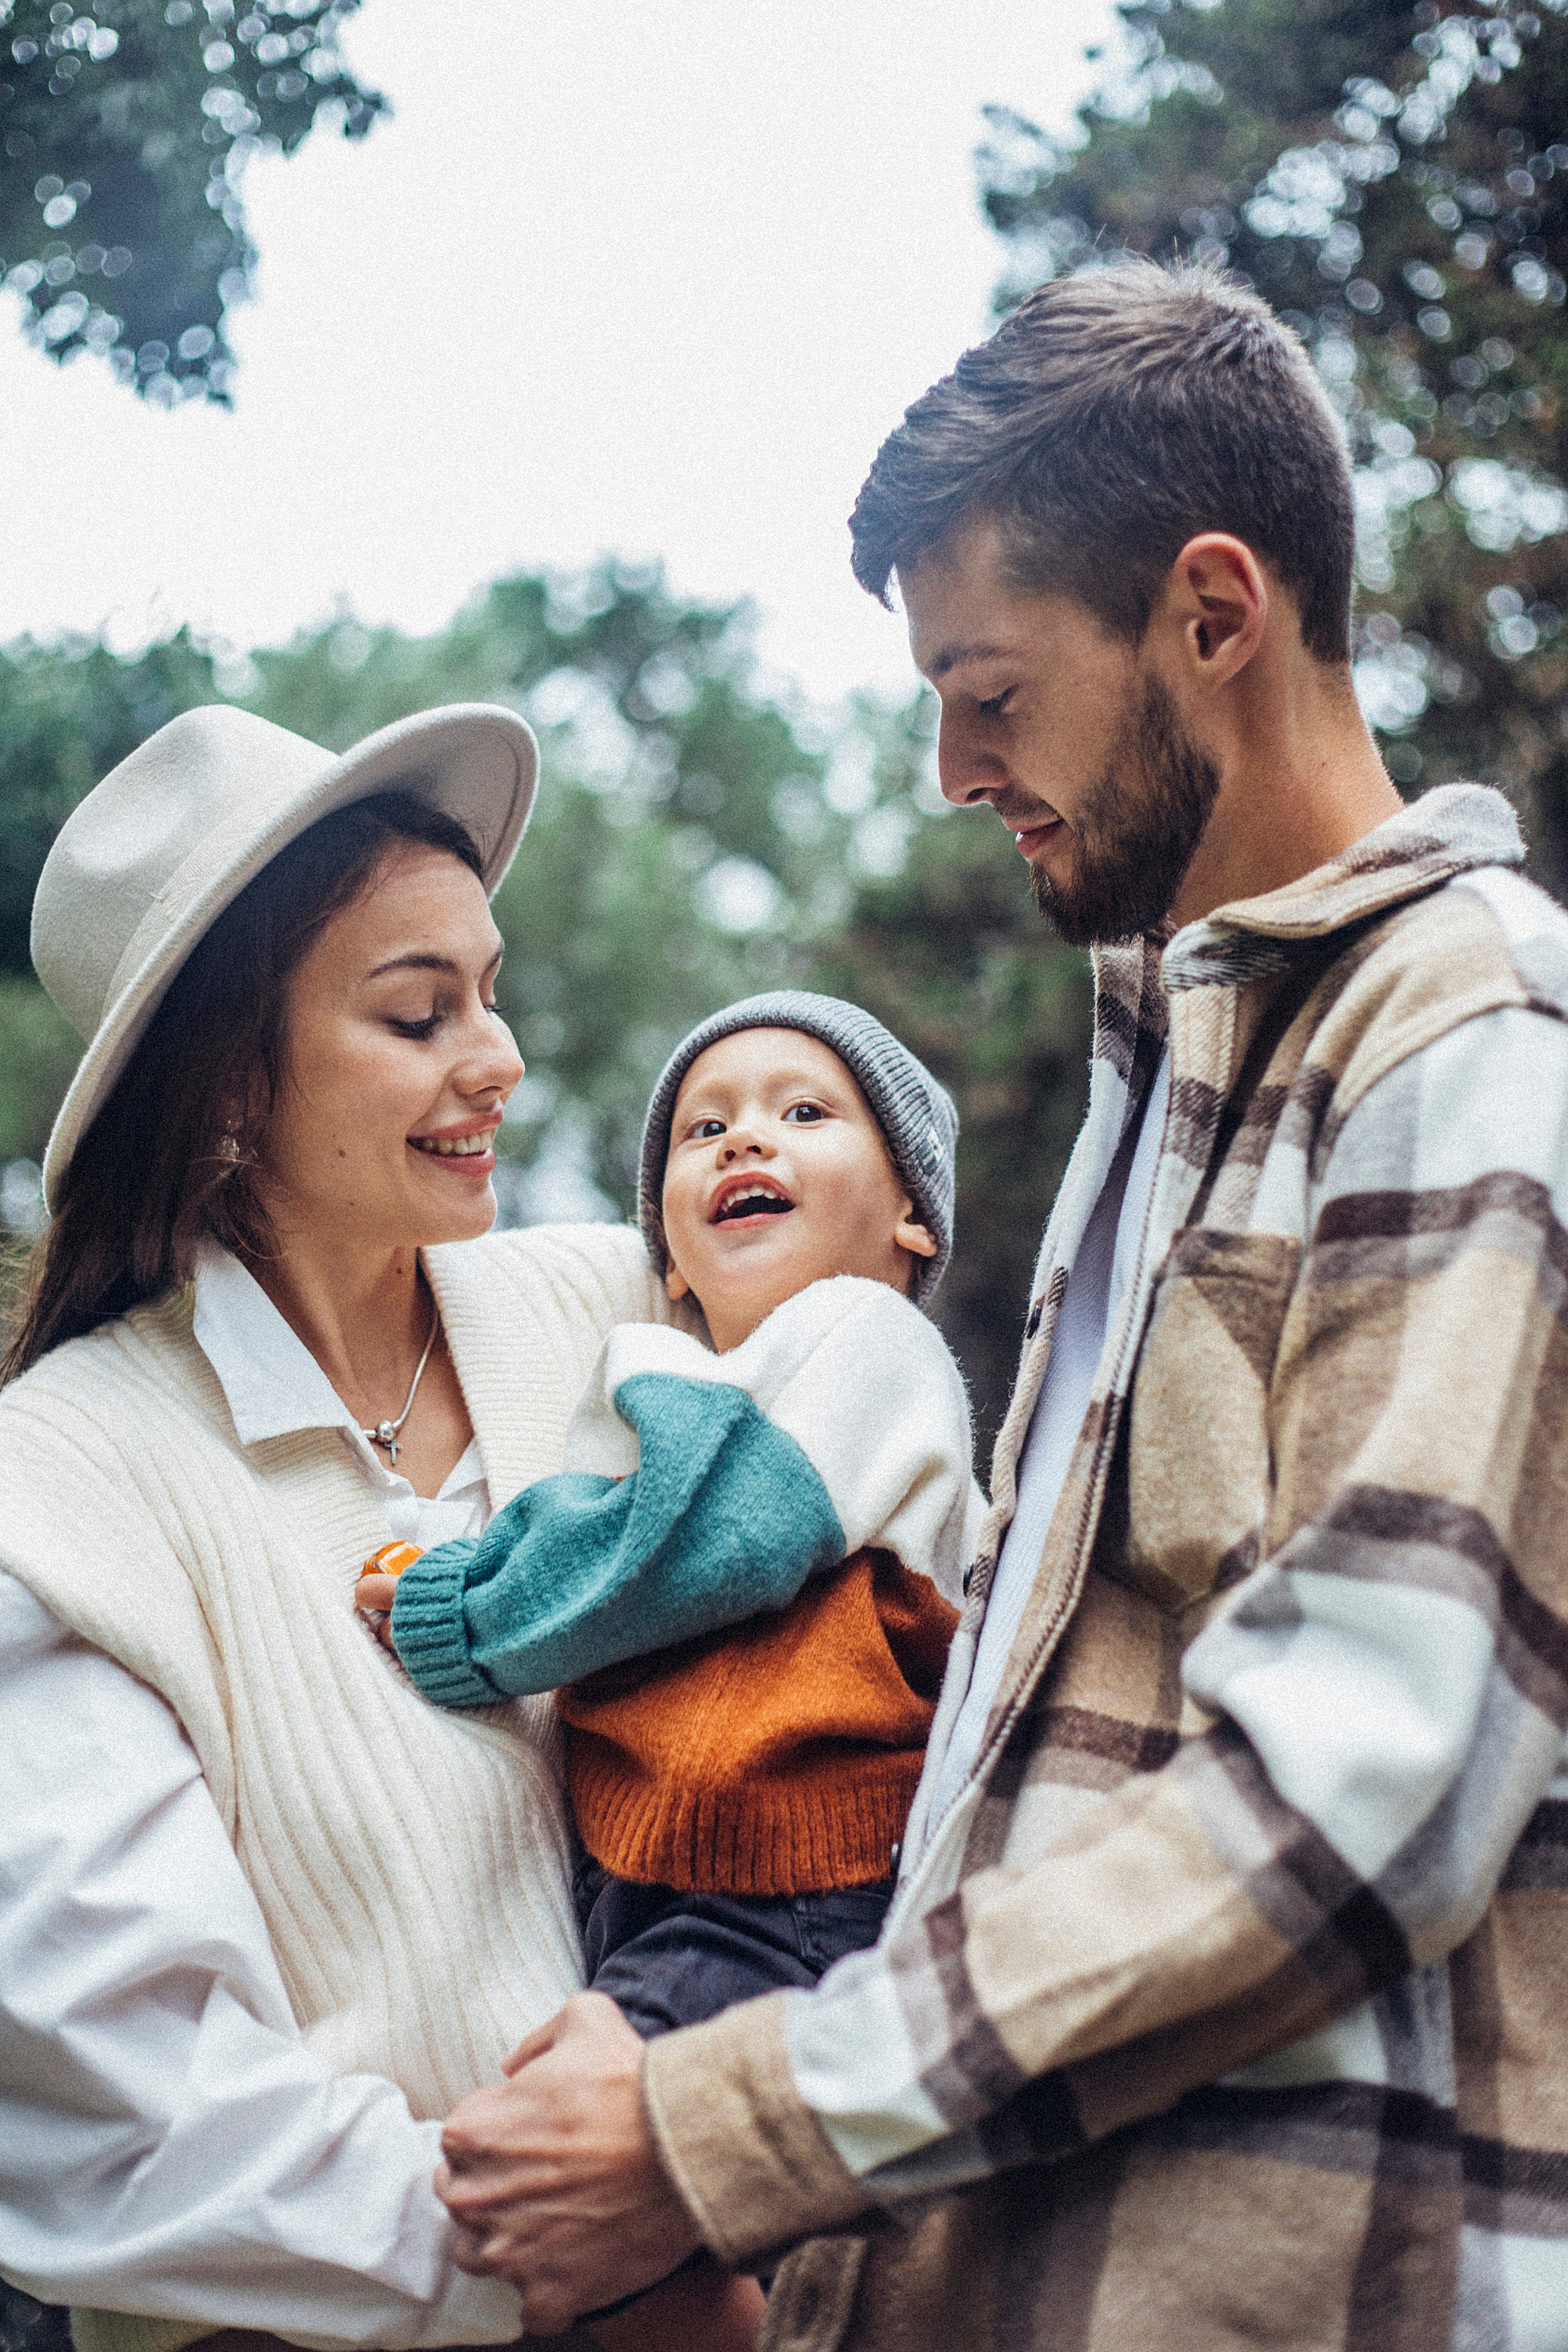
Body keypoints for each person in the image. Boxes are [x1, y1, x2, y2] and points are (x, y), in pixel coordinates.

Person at [428, 260, 1568, 2350]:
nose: (955, 766)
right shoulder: (1171, 1077)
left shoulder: (1469, 1036)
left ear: (1211, 615)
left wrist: (717, 2124)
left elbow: (1360, 1798)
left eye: (990, 690)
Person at [0, 701, 757, 2352]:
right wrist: (594, 2264)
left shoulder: (620, 1309)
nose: (499, 1059)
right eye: (419, 1015)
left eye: (490, 991)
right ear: (226, 1078)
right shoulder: (58, 1491)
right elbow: (131, 2130)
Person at [356, 994, 976, 2042]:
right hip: (673, 1884)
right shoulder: (723, 1384)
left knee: (579, 2117)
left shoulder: (870, 1340)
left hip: (786, 1890)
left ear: (911, 1213)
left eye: (805, 1113)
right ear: (673, 1261)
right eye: (706, 1127)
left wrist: (463, 1608)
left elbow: (685, 1539)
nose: (745, 1138)